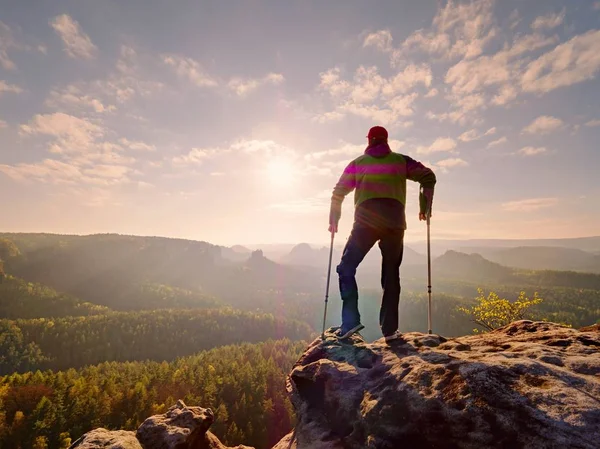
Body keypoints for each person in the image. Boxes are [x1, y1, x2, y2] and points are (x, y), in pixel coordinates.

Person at [329, 125, 436, 341]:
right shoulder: (401, 161)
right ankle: (390, 331)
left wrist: (334, 220)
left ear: (368, 141)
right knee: (390, 274)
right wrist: (424, 207)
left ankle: (350, 323)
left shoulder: (358, 164)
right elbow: (428, 177)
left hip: (366, 222)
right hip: (395, 223)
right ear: (386, 140)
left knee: (346, 268)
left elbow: (338, 192)